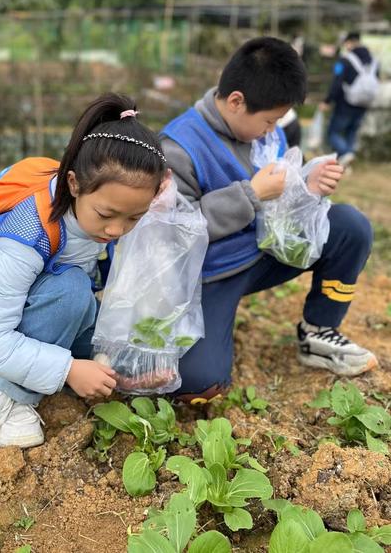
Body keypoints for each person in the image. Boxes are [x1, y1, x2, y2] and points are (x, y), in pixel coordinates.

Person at [160, 36, 377, 405]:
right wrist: (250, 194)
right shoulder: (179, 147)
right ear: (236, 101)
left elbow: (280, 197)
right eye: (268, 121)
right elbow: (171, 233)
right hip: (210, 275)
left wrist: (306, 186)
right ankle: (207, 336)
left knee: (349, 227)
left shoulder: (265, 131)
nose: (271, 130)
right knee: (198, 383)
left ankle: (319, 331)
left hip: (263, 251)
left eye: (277, 121)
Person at [0, 94, 167, 447]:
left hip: (59, 296)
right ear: (73, 184)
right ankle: (11, 396)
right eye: (106, 215)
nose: (116, 229)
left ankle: (76, 363)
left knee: (101, 323)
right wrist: (68, 368)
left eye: (134, 217)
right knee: (69, 289)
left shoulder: (107, 204)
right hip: (4, 313)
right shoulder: (24, 233)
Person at [320, 31, 379, 167]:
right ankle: (348, 158)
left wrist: (328, 100)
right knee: (351, 131)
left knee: (333, 132)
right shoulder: (373, 60)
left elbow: (337, 82)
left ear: (349, 42)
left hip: (346, 103)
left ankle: (346, 153)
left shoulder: (345, 59)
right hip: (365, 102)